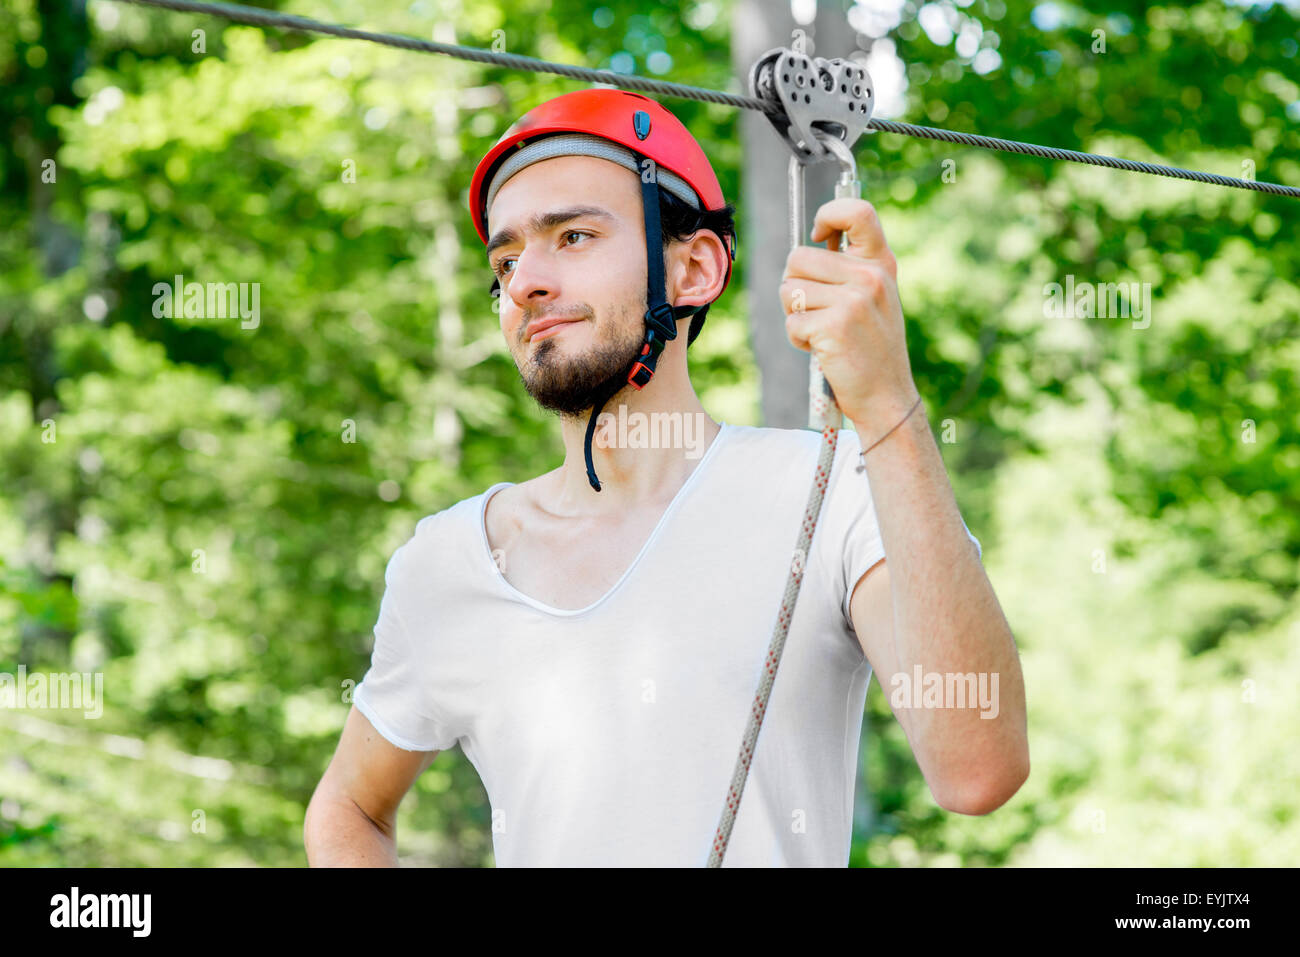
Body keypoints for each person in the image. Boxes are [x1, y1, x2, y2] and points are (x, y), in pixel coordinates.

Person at [304, 89, 1028, 867]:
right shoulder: (446, 563)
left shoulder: (832, 488)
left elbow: (977, 767)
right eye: (506, 261)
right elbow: (347, 807)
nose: (523, 283)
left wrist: (886, 400)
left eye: (573, 236)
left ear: (693, 268)